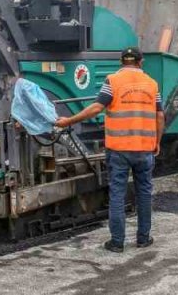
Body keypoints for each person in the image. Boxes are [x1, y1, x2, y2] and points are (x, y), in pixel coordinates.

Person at [55, 46, 163, 252]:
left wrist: (68, 120)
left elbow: (97, 107)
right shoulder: (152, 84)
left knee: (117, 194)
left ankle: (117, 242)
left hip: (119, 150)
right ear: (141, 62)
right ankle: (143, 238)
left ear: (122, 62)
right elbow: (160, 116)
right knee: (144, 193)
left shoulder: (112, 81)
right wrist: (157, 141)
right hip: (144, 149)